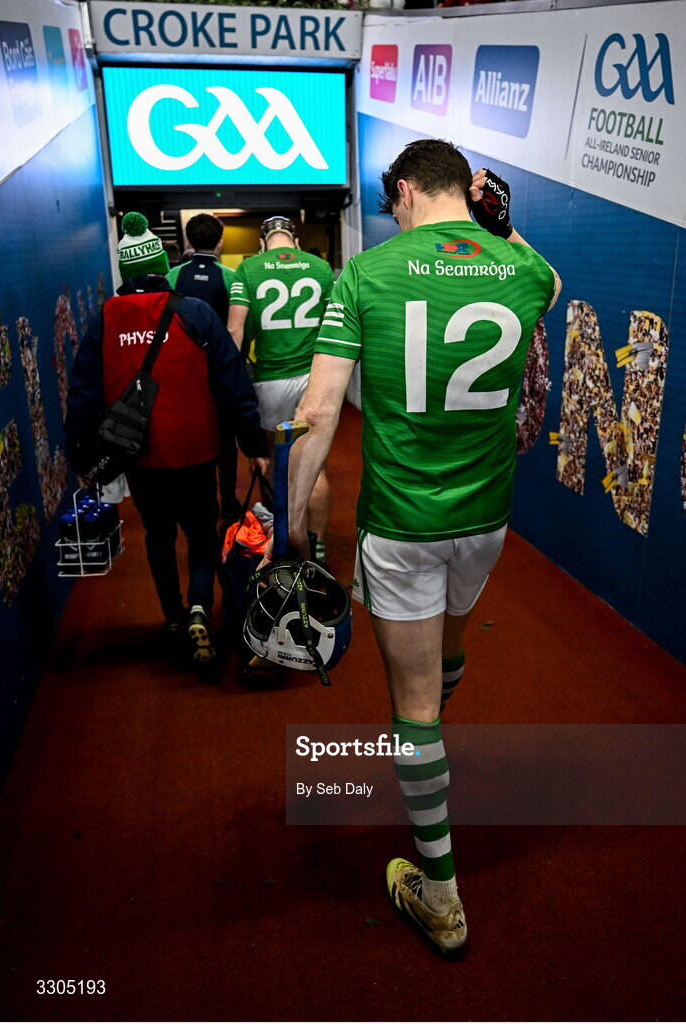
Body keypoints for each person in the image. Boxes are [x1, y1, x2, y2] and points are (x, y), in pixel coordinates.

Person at [272, 140, 561, 953]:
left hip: (402, 526)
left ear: (402, 191)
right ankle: (427, 754)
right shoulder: (521, 270)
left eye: (390, 201)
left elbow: (319, 411)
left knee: (414, 704)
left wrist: (292, 524)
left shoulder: (365, 274)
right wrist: (501, 225)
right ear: (467, 191)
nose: (391, 212)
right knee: (448, 657)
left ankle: (439, 894)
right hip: (488, 522)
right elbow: (553, 279)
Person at [65, 212, 269, 671]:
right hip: (198, 450)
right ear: (161, 265)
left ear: (126, 273)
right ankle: (200, 605)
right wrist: (253, 443)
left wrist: (81, 450)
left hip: (138, 455)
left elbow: (83, 393)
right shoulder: (195, 314)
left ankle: (174, 617)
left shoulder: (103, 320)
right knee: (200, 534)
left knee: (157, 535)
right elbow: (232, 382)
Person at [227, 215, 334, 564]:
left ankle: (283, 543)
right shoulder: (320, 268)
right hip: (312, 377)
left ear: (262, 242)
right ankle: (316, 549)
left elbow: (235, 333)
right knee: (314, 467)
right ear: (296, 240)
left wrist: (232, 384)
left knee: (276, 463)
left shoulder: (248, 269)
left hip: (268, 381)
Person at [167, 213, 242, 521]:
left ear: (188, 241)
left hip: (183, 371)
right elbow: (237, 325)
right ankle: (228, 500)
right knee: (226, 438)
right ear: (220, 242)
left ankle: (197, 502)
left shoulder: (173, 277)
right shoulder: (230, 276)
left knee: (190, 434)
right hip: (219, 371)